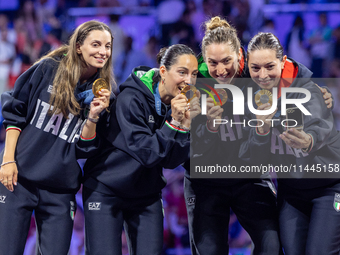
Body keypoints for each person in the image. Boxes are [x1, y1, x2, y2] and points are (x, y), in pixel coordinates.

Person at [185, 16, 332, 255]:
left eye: (227, 61)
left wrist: (317, 92)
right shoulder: (194, 81)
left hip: (249, 175)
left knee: (272, 246)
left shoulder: (256, 68)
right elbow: (166, 85)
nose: (221, 70)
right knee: (210, 250)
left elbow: (293, 72)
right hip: (205, 181)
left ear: (240, 56)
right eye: (213, 63)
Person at [0, 20, 113, 254]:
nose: (103, 52)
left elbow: (85, 148)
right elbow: (14, 111)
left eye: (108, 46)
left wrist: (93, 116)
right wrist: (7, 159)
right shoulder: (48, 68)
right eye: (96, 44)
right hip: (19, 178)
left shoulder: (103, 93)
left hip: (60, 188)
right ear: (79, 46)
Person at [78, 44, 200, 254]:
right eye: (182, 72)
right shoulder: (131, 99)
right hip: (106, 190)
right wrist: (173, 124)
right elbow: (148, 153)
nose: (189, 81)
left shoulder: (179, 104)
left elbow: (169, 161)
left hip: (146, 194)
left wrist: (186, 125)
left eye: (194, 74)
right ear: (163, 72)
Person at [241, 32, 340, 255]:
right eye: (255, 68)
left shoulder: (308, 89)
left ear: (283, 62)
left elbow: (320, 123)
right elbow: (253, 159)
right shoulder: (248, 97)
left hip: (330, 186)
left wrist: (309, 141)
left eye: (269, 66)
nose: (263, 75)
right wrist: (261, 131)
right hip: (291, 191)